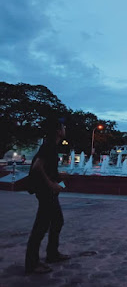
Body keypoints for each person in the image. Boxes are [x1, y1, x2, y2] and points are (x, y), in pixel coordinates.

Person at [25, 117, 70, 274]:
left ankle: (52, 254)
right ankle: (32, 263)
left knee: (57, 221)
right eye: (63, 126)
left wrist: (59, 178)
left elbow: (48, 169)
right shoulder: (49, 145)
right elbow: (38, 166)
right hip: (45, 191)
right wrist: (51, 184)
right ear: (58, 131)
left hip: (48, 191)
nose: (65, 129)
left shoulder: (52, 146)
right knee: (41, 226)